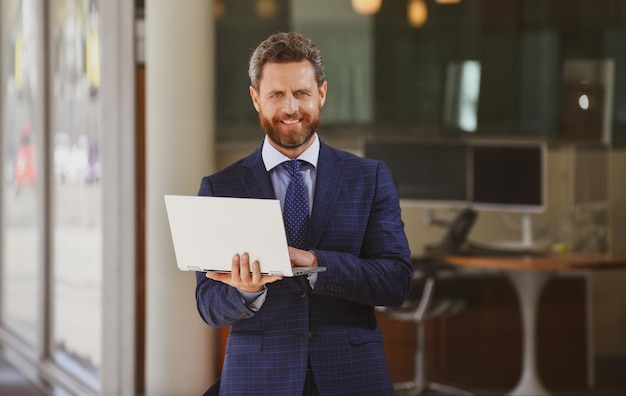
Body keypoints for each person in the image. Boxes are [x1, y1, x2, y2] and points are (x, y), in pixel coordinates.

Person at [195, 32, 413, 396]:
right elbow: (208, 305)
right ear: (255, 98)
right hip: (259, 379)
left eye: (302, 93)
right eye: (277, 94)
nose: (291, 108)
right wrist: (246, 293)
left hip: (352, 376)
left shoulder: (369, 178)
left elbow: (396, 281)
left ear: (322, 94)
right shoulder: (221, 187)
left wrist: (314, 262)